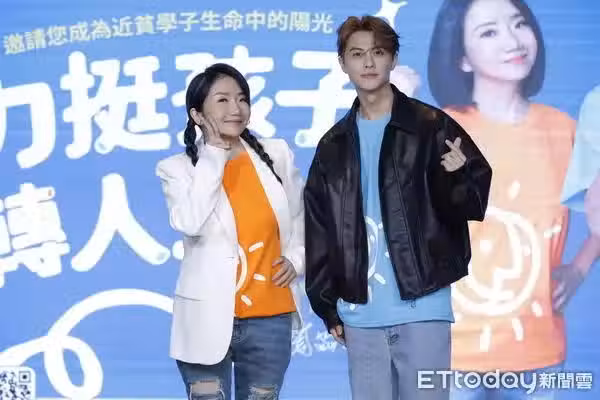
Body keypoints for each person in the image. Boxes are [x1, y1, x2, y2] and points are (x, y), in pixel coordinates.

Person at [303, 15, 492, 400]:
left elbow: (473, 204)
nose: (368, 63)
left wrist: (457, 177)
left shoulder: (432, 126)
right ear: (343, 64)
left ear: (393, 59)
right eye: (357, 54)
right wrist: (327, 305)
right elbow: (319, 230)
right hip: (360, 313)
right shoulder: (333, 146)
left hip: (423, 306)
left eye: (378, 52)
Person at [427, 0, 595, 398]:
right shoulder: (436, 130)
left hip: (536, 349)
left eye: (519, 24)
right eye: (489, 32)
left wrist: (579, 268)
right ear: (462, 57)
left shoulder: (564, 131)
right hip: (449, 352)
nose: (512, 40)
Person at [155, 63, 305, 400]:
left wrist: (297, 259)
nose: (235, 108)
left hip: (270, 315)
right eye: (222, 100)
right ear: (197, 114)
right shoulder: (176, 169)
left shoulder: (276, 154)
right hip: (205, 318)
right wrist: (213, 153)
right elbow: (190, 221)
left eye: (241, 99)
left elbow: (301, 217)